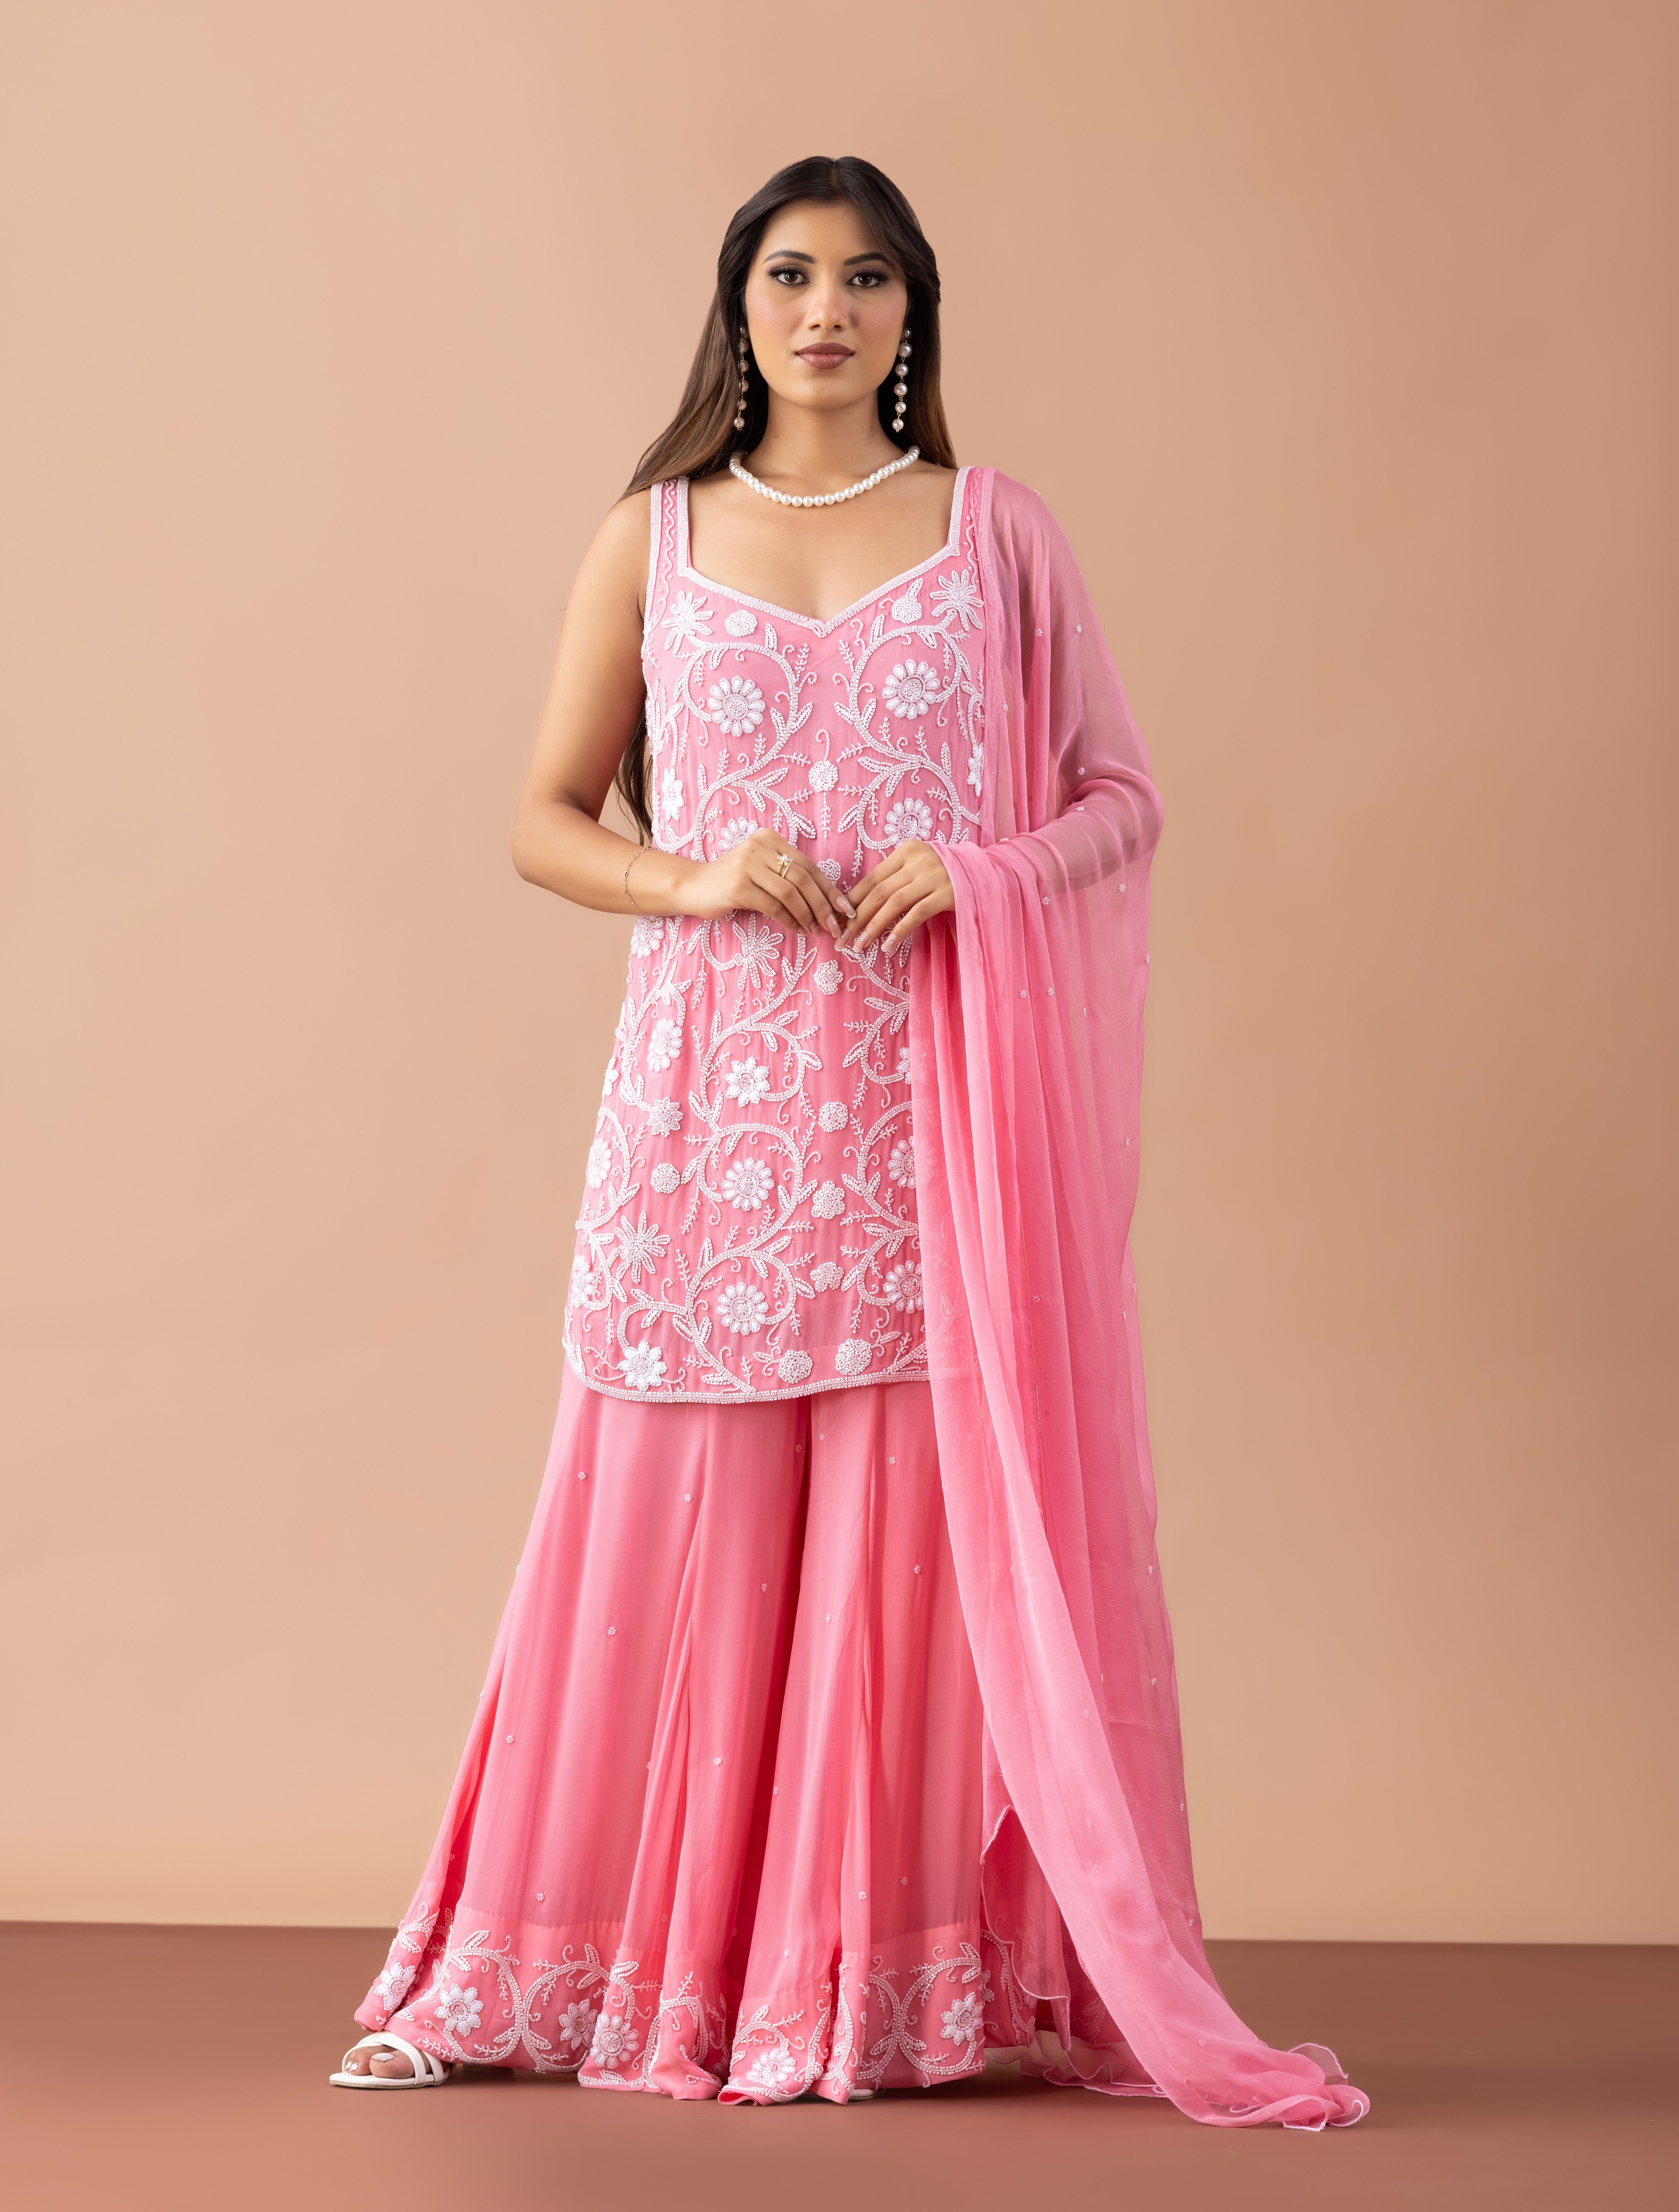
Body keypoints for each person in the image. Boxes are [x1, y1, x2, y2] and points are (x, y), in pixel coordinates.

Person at [331, 156, 1368, 2129]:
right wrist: (697, 872)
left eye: (868, 277)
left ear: (915, 316)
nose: (828, 308)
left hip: (928, 1133)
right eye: (791, 273)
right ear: (738, 308)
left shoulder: (998, 536)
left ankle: (854, 1991)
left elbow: (1121, 796)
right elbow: (543, 817)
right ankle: (513, 1969)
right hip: (704, 1115)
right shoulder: (652, 537)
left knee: (901, 1558)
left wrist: (974, 871)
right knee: (641, 1541)